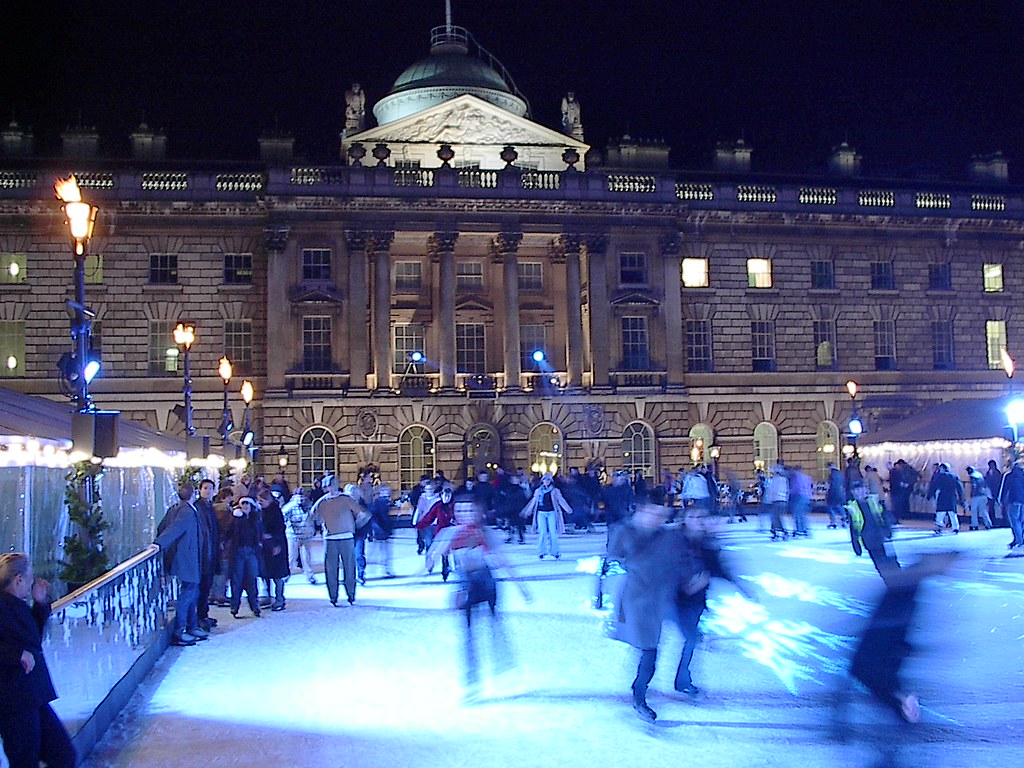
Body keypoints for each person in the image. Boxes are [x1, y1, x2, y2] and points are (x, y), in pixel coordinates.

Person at [426, 496, 528, 701]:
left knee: (496, 630)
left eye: (469, 510)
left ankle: (504, 666)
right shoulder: (450, 533)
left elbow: (502, 560)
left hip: (485, 582)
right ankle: (472, 679)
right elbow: (433, 554)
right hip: (465, 584)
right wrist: (432, 558)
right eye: (460, 511)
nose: (465, 515)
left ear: (478, 513)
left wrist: (521, 587)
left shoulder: (485, 533)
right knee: (468, 635)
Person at [607, 502, 699, 723]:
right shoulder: (625, 533)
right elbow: (612, 558)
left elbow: (683, 561)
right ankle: (639, 695)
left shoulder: (670, 538)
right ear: (639, 513)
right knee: (649, 650)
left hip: (663, 600)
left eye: (660, 514)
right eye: (650, 513)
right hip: (637, 601)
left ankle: (677, 681)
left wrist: (690, 580)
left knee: (679, 641)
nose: (656, 518)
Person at [0, 554, 77, 768]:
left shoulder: (15, 604)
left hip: (32, 695)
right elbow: (20, 646)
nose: (32, 582)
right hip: (13, 699)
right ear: (18, 580)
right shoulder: (4, 606)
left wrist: (41, 603)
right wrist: (16, 654)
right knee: (25, 759)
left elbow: (30, 639)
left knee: (62, 754)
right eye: (30, 579)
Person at [154, 483, 208, 646]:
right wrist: (159, 544)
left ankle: (192, 626)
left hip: (187, 556)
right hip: (188, 558)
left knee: (192, 591)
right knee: (189, 592)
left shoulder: (176, 508)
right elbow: (175, 529)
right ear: (193, 494)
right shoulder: (186, 511)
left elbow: (162, 526)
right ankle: (180, 630)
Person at [311, 474, 362, 605]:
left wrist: (322, 523)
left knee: (336, 568)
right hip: (340, 536)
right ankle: (345, 595)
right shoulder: (343, 499)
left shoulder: (324, 501)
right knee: (345, 567)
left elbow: (312, 516)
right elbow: (361, 514)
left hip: (335, 537)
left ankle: (340, 595)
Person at [846, 480, 899, 582]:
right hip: (869, 541)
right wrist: (856, 545)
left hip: (883, 537)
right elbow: (853, 529)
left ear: (866, 490)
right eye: (856, 490)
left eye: (861, 489)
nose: (859, 492)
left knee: (892, 562)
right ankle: (891, 584)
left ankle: (900, 583)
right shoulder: (852, 507)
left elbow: (886, 516)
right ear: (853, 493)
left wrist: (889, 530)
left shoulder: (874, 501)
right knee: (881, 566)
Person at [226, 497, 265, 618]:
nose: (246, 505)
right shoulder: (236, 519)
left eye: (248, 503)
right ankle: (235, 606)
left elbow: (260, 533)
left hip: (251, 552)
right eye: (243, 503)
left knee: (252, 579)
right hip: (239, 552)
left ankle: (254, 605)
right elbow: (228, 533)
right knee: (237, 580)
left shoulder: (255, 519)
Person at [520, 472, 572, 559]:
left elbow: (561, 500)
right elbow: (533, 502)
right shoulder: (538, 491)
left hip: (551, 512)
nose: (546, 481)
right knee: (542, 532)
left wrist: (568, 509)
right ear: (542, 481)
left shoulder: (555, 491)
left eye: (548, 479)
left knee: (553, 532)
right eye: (545, 479)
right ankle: (541, 551)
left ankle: (555, 551)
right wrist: (527, 511)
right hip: (541, 513)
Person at [194, 479, 221, 631]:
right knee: (202, 587)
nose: (208, 491)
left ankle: (203, 615)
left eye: (210, 488)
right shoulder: (199, 508)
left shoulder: (209, 507)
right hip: (205, 554)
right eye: (205, 488)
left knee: (206, 586)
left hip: (210, 553)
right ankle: (200, 617)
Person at [258, 488, 289, 611]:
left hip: (276, 545)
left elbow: (280, 529)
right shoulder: (261, 512)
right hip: (265, 547)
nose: (260, 503)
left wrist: (275, 542)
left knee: (277, 574)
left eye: (262, 501)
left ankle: (280, 598)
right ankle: (267, 596)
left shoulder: (275, 512)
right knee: (266, 573)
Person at [416, 485, 455, 580]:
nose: (446, 498)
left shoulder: (454, 505)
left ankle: (450, 566)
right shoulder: (438, 505)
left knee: (452, 551)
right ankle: (443, 567)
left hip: (452, 531)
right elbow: (429, 516)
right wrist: (420, 525)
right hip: (441, 531)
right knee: (441, 550)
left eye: (448, 496)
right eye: (444, 496)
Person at [283, 488, 317, 584]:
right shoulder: (290, 506)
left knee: (307, 557)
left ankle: (309, 575)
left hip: (306, 535)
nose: (301, 499)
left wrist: (313, 530)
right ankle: (286, 574)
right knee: (292, 557)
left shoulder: (309, 506)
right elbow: (283, 516)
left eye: (303, 497)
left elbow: (314, 518)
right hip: (293, 536)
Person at [926, 462, 963, 535]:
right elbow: (960, 488)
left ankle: (939, 527)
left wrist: (929, 495)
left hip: (942, 496)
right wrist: (961, 498)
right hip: (952, 496)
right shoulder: (954, 476)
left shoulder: (939, 476)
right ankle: (955, 528)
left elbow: (933, 486)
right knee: (952, 513)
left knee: (940, 513)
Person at [998, 461, 1024, 552]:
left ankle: (1019, 540)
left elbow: (1004, 489)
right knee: (1021, 521)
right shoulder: (1023, 475)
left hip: (1013, 500)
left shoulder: (1009, 476)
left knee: (1014, 520)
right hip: (1023, 501)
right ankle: (1019, 539)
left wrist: (1000, 499)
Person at [763, 464, 790, 540]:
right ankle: (778, 532)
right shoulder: (784, 479)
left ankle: (780, 532)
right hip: (783, 501)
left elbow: (771, 491)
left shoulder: (774, 480)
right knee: (777, 517)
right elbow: (787, 491)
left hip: (776, 501)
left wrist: (767, 501)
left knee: (775, 518)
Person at [965, 465, 994, 531]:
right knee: (983, 510)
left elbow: (974, 487)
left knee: (974, 511)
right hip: (983, 495)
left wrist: (970, 496)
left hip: (976, 496)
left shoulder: (972, 476)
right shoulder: (980, 475)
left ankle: (974, 524)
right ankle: (988, 524)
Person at [788, 465, 813, 537]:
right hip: (807, 497)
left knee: (797, 514)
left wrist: (789, 494)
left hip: (798, 497)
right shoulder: (807, 477)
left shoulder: (795, 478)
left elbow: (795, 489)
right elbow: (810, 487)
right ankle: (805, 529)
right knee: (803, 514)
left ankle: (799, 529)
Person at [985, 459, 1004, 527]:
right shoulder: (989, 472)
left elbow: (997, 482)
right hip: (990, 492)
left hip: (996, 491)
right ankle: (992, 520)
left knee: (995, 506)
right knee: (991, 507)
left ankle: (997, 520)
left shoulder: (997, 473)